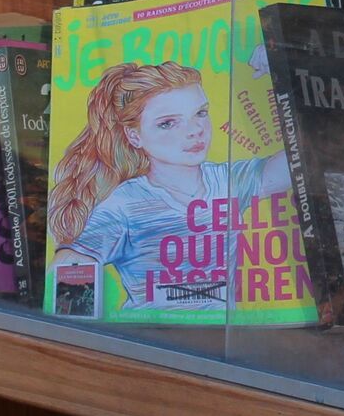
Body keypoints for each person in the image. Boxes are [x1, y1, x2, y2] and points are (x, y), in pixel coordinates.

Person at [47, 60, 284, 313]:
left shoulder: (229, 179)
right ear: (134, 136)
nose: (195, 130)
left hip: (218, 341)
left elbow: (301, 161)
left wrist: (283, 74)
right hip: (152, 345)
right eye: (168, 123)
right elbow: (64, 292)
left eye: (200, 113)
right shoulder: (124, 205)